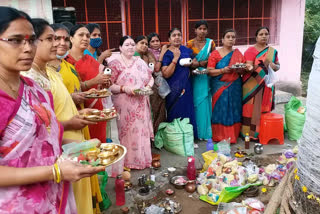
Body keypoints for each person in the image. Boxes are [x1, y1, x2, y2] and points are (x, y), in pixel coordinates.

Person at [0, 6, 104, 213]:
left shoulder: (34, 89)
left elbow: (44, 136)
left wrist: (83, 147)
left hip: (54, 196)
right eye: (15, 40)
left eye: (31, 40)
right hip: (17, 204)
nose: (28, 48)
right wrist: (54, 172)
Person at [108, 36, 154, 169]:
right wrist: (124, 88)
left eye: (132, 45)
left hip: (140, 104)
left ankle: (142, 161)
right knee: (126, 134)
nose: (130, 47)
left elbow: (150, 78)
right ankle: (126, 163)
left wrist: (148, 87)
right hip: (123, 105)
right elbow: (109, 85)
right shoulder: (114, 64)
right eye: (127, 45)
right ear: (120, 47)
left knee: (141, 132)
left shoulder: (140, 62)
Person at [65, 24, 112, 143]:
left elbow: (100, 81)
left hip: (95, 107)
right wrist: (93, 81)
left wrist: (104, 82)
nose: (85, 38)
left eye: (87, 35)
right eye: (81, 35)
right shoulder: (65, 60)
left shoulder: (90, 59)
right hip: (75, 109)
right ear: (71, 38)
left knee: (98, 144)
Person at [207, 29, 246, 143]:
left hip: (235, 86)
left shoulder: (238, 54)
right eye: (228, 37)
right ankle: (220, 136)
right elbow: (210, 71)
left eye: (233, 37)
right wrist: (223, 70)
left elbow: (243, 69)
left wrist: (240, 69)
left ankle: (233, 135)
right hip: (220, 86)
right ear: (222, 40)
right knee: (220, 109)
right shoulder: (215, 54)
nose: (230, 39)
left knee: (234, 109)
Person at [241, 27, 280, 140]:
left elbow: (278, 66)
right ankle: (249, 134)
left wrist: (274, 66)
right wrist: (256, 67)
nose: (264, 36)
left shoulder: (272, 51)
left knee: (263, 108)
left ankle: (262, 133)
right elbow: (248, 66)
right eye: (261, 34)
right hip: (251, 84)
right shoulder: (250, 51)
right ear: (256, 37)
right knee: (250, 109)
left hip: (266, 85)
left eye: (266, 34)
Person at [161, 28, 198, 138]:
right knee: (175, 111)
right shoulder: (167, 53)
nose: (177, 37)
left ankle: (189, 137)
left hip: (187, 86)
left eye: (179, 35)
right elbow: (166, 74)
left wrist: (192, 64)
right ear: (169, 39)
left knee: (188, 110)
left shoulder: (186, 50)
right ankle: (175, 138)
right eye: (174, 35)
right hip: (174, 89)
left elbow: (195, 63)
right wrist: (176, 58)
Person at [187, 20, 215, 140]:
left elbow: (214, 59)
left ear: (207, 31)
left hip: (205, 75)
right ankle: (197, 132)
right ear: (195, 30)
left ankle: (205, 132)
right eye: (200, 28)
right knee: (195, 102)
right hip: (194, 76)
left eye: (204, 29)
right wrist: (196, 63)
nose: (202, 31)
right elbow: (186, 60)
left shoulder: (211, 43)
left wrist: (206, 64)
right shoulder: (189, 44)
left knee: (205, 102)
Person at [135, 35, 167, 133]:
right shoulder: (135, 56)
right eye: (142, 43)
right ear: (135, 44)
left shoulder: (146, 55)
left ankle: (154, 133)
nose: (144, 45)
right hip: (139, 89)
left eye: (145, 43)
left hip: (150, 86)